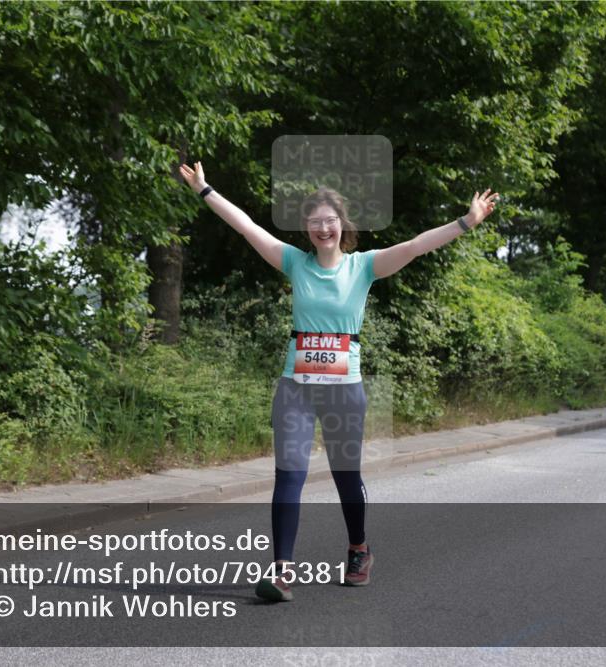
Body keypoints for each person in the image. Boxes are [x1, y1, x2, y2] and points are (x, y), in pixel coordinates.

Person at [178, 161, 498, 601]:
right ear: (306, 229)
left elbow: (416, 245)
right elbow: (248, 227)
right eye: (314, 222)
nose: (322, 228)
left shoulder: (363, 267)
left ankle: (359, 549)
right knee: (288, 474)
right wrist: (204, 189)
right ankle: (282, 571)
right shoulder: (294, 263)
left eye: (329, 221)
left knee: (345, 474)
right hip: (295, 386)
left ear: (341, 225)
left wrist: (467, 222)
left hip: (344, 388)